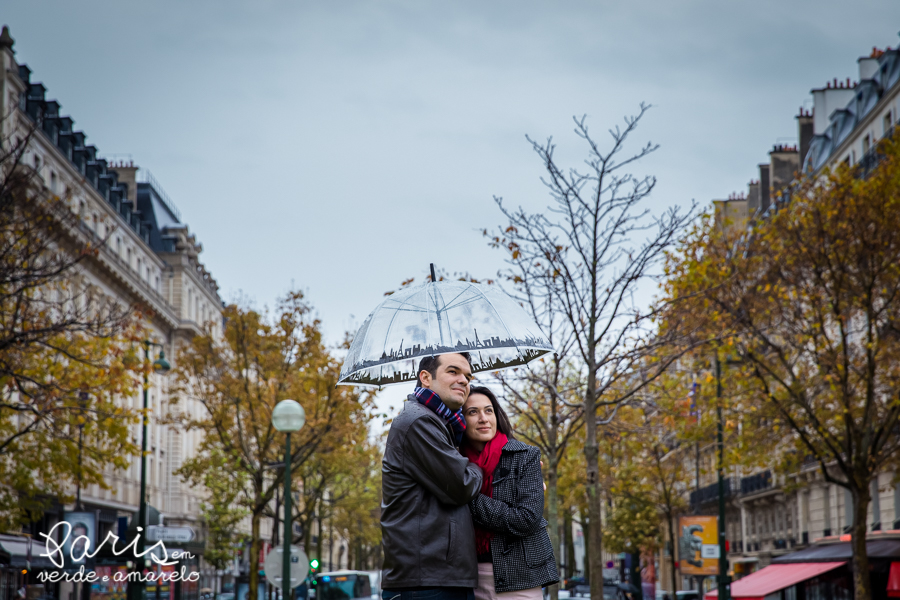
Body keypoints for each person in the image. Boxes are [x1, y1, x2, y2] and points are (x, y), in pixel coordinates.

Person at [381, 352, 484, 600]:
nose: (464, 380)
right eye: (453, 371)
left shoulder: (441, 424)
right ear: (425, 378)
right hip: (426, 583)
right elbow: (461, 484)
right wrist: (477, 466)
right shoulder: (418, 423)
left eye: (468, 375)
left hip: (438, 578)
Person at [461, 386, 559, 600]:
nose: (483, 418)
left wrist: (467, 496)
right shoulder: (453, 462)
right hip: (466, 580)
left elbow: (527, 519)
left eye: (488, 410)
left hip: (520, 577)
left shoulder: (525, 456)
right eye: (472, 412)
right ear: (461, 419)